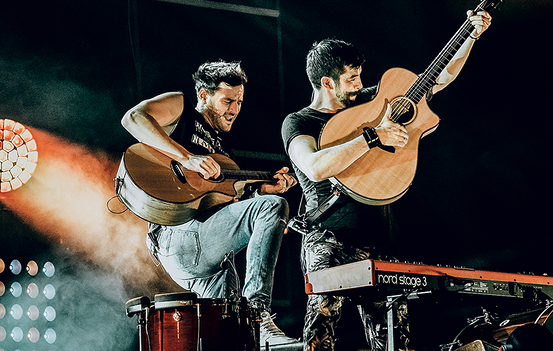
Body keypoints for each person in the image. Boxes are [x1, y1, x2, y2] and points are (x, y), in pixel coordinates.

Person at [281, 10, 492, 351]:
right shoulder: (300, 121)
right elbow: (314, 167)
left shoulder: (370, 101)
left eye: (359, 75)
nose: (358, 84)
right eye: (351, 78)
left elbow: (437, 77)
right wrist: (371, 136)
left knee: (395, 340)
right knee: (320, 336)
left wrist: (471, 36)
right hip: (329, 237)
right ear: (326, 83)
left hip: (381, 235)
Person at [121, 60, 299, 347]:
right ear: (204, 96)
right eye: (227, 100)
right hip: (177, 234)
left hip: (207, 253)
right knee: (272, 207)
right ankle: (258, 314)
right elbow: (132, 118)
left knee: (230, 336)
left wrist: (261, 190)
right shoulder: (182, 110)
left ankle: (251, 330)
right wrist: (186, 157)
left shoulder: (223, 153)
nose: (234, 109)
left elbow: (229, 210)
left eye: (239, 102)